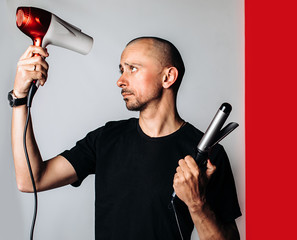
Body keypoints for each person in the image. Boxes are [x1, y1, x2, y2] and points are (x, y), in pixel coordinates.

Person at [10, 36, 241, 239]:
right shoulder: (106, 139)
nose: (120, 80)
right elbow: (31, 180)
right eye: (121, 69)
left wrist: (196, 203)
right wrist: (19, 98)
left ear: (168, 77)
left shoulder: (208, 156)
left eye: (133, 69)